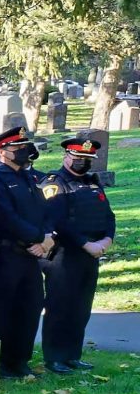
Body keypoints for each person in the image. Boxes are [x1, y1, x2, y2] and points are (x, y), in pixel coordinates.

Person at [0, 124, 54, 378]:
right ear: (2, 152)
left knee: (29, 308)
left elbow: (46, 211)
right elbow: (5, 217)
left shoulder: (31, 178)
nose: (23, 151)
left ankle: (19, 360)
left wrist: (47, 237)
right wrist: (36, 238)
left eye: (24, 146)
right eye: (17, 148)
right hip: (3, 255)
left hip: (31, 257)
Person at [40, 130, 115, 372]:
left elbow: (108, 216)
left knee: (81, 307)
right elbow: (58, 220)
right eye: (78, 157)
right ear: (66, 157)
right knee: (60, 306)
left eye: (87, 159)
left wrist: (106, 240)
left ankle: (73, 354)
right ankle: (55, 357)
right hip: (64, 254)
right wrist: (86, 244)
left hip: (92, 252)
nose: (82, 162)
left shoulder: (92, 183)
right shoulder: (54, 183)